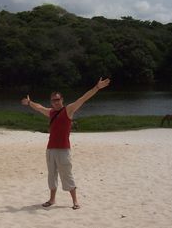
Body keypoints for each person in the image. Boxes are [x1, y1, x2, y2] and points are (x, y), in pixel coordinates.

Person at [21, 77, 110, 209]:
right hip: (50, 149)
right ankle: (52, 200)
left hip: (63, 149)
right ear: (51, 101)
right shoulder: (51, 112)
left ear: (62, 99)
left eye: (58, 99)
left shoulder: (68, 110)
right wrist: (29, 103)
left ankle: (75, 201)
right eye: (53, 100)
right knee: (52, 175)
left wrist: (97, 87)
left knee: (67, 175)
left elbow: (83, 99)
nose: (56, 102)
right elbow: (39, 108)